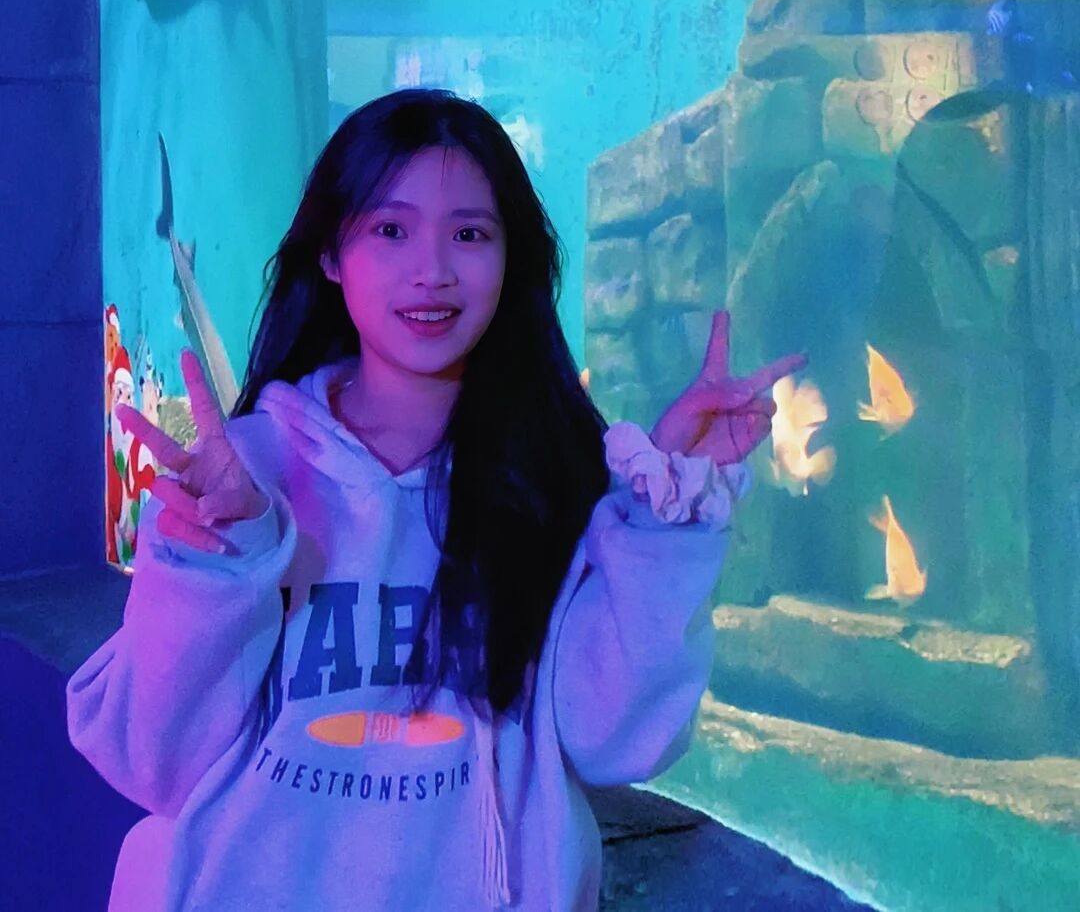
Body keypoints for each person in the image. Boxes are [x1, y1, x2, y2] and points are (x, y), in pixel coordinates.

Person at [67, 88, 806, 911]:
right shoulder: (246, 477)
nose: (433, 269)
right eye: (391, 229)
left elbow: (614, 741)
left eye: (470, 234)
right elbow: (150, 759)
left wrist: (666, 513)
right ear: (330, 254)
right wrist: (220, 561)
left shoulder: (553, 480)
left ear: (511, 258)